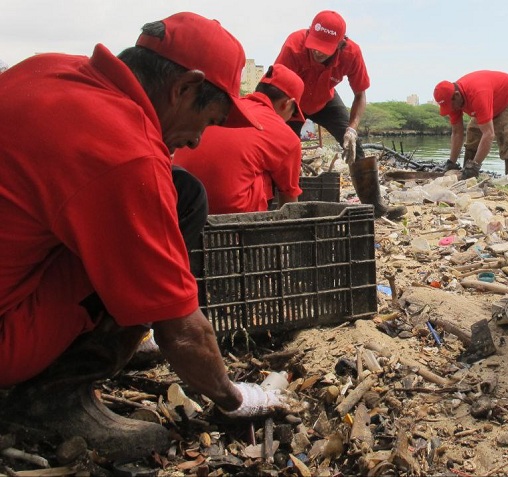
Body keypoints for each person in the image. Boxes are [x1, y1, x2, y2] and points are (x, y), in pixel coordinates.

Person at [0, 12, 297, 461]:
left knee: (180, 189)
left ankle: (95, 340)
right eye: (210, 120)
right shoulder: (125, 153)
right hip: (7, 336)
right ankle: (54, 399)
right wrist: (235, 397)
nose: (199, 141)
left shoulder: (46, 69)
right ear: (184, 88)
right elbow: (182, 332)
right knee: (180, 203)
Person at [274, 10, 405, 220]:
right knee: (281, 149)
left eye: (324, 49)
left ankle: (376, 208)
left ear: (341, 43)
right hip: (293, 101)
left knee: (355, 147)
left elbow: (360, 95)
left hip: (326, 101)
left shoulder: (352, 53)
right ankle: (276, 206)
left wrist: (352, 129)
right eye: (314, 45)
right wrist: (277, 124)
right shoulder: (293, 45)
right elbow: (276, 87)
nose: (317, 52)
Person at [174, 64, 305, 214]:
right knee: (272, 172)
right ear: (287, 104)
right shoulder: (286, 135)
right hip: (230, 217)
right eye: (293, 113)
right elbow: (289, 200)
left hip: (179, 203)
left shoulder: (227, 106)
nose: (289, 119)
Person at [433, 71, 508, 182]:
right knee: (473, 133)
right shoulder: (452, 101)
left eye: (450, 106)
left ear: (456, 96)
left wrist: (476, 166)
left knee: (506, 136)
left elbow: (489, 134)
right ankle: (467, 174)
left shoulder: (478, 93)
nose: (450, 109)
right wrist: (451, 162)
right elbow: (457, 132)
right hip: (486, 101)